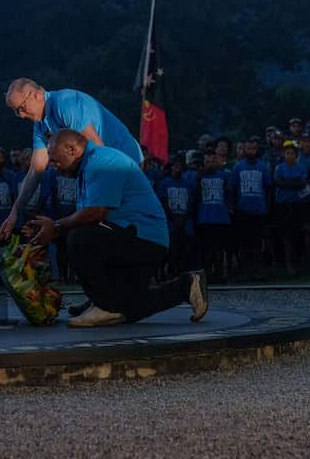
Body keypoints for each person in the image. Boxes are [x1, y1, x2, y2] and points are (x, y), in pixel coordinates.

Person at [20, 130, 208, 327]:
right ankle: (186, 287)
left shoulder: (102, 162)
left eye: (56, 160)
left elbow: (96, 214)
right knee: (127, 308)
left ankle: (104, 305)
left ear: (72, 149)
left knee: (79, 238)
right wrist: (47, 229)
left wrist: (56, 227)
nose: (53, 166)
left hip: (144, 240)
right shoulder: (85, 168)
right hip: (130, 238)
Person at [0, 78, 143, 241]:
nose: (21, 115)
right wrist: (15, 212)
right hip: (107, 169)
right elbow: (35, 172)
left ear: (36, 95)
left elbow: (98, 152)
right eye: (16, 112)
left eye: (21, 108)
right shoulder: (40, 126)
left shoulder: (64, 104)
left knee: (109, 229)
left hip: (125, 161)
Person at [229, 137, 271, 278]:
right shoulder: (237, 167)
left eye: (253, 149)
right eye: (248, 148)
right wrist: (235, 208)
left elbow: (268, 188)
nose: (251, 151)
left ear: (257, 150)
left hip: (259, 211)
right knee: (243, 243)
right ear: (244, 150)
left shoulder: (263, 167)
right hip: (242, 211)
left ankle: (258, 270)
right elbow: (233, 189)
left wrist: (268, 208)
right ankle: (244, 271)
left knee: (257, 242)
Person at [272, 141, 310, 275]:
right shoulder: (279, 167)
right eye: (287, 153)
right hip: (284, 205)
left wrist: (286, 183)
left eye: (292, 153)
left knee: (307, 230)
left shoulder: (301, 167)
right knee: (287, 235)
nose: (289, 156)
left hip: (300, 204)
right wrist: (293, 183)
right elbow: (278, 182)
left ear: (296, 155)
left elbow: (302, 184)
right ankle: (288, 264)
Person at [194, 153, 233, 282]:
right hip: (204, 218)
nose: (210, 164)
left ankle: (220, 274)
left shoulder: (223, 175)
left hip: (221, 218)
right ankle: (207, 275)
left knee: (219, 250)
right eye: (207, 161)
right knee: (206, 250)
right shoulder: (199, 177)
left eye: (212, 161)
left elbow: (228, 193)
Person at [157, 153, 196, 275]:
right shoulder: (165, 183)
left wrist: (183, 219)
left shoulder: (188, 184)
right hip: (171, 222)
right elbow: (163, 201)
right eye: (175, 166)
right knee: (171, 250)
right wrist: (173, 218)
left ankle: (181, 273)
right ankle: (168, 273)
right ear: (171, 167)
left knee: (185, 250)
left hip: (185, 223)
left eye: (180, 166)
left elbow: (191, 203)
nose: (177, 169)